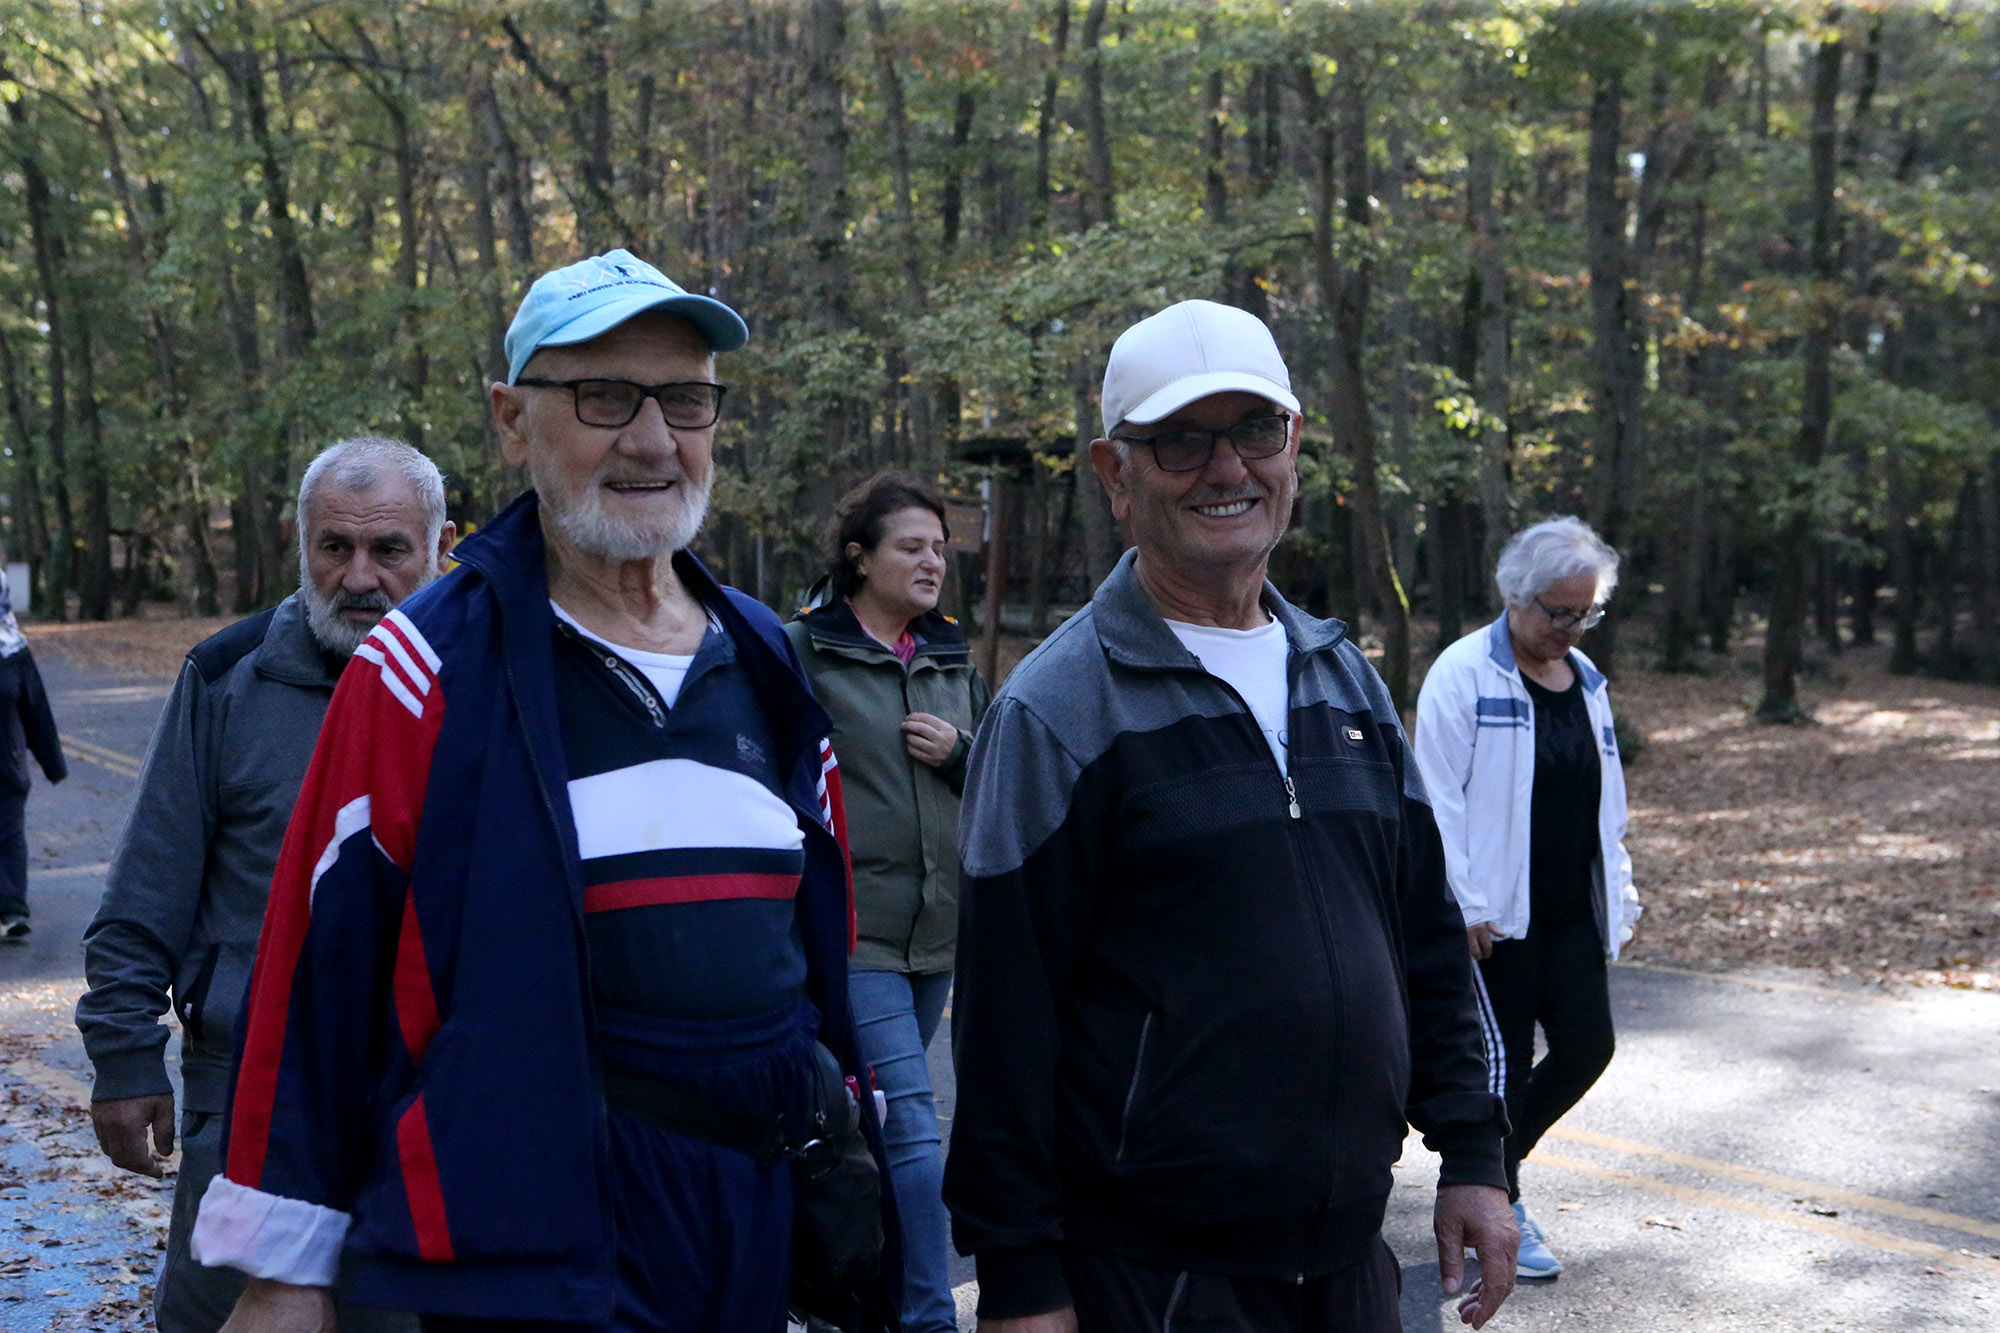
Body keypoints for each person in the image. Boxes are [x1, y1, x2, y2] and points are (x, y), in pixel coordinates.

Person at [189, 249, 897, 1333]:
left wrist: (845, 1129)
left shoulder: (762, 656)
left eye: (686, 398)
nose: (653, 438)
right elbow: (313, 964)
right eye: (605, 396)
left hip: (746, 1220)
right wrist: (286, 1262)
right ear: (513, 420)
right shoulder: (426, 666)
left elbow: (816, 937)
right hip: (526, 1230)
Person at [944, 298, 1517, 1333]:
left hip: (1347, 1261)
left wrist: (1475, 1155)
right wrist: (1020, 1280)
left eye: (1254, 432)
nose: (1225, 470)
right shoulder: (1057, 709)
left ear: (1292, 448)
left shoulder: (1340, 680)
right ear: (1116, 475)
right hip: (1154, 1275)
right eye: (1180, 442)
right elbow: (1004, 1021)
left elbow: (1424, 939)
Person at [76, 436, 453, 1333]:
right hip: (245, 1101)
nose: (359, 575)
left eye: (389, 549)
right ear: (302, 549)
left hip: (436, 1105)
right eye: (334, 548)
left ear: (441, 549)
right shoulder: (227, 677)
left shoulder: (486, 681)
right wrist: (125, 1056)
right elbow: (147, 886)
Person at [786, 472, 990, 1333]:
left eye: (939, 547)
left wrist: (958, 751)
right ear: (859, 557)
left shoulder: (950, 658)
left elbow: (998, 778)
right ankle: (927, 1313)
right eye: (911, 546)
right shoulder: (805, 650)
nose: (932, 561)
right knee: (907, 1120)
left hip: (937, 935)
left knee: (867, 1125)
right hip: (855, 932)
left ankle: (843, 1295)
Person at [1413, 516, 1640, 1281]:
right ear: (1517, 595)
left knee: (1588, 1047)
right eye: (1559, 612)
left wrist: (1623, 892)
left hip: (1571, 907)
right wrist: (1462, 899)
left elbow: (1608, 804)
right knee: (1501, 1067)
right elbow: (1434, 797)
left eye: (1586, 613)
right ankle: (1500, 1204)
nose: (1572, 629)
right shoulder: (1464, 673)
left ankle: (1494, 1180)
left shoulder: (1588, 684)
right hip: (1495, 915)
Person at [0, 565, 66, 939]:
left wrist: (51, 762)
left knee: (8, 831)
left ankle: (11, 908)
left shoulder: (13, 650)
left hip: (5, 764)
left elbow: (36, 709)